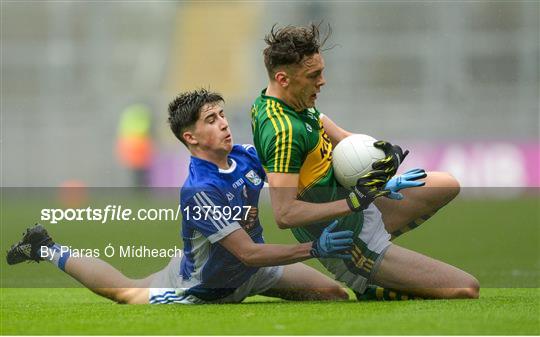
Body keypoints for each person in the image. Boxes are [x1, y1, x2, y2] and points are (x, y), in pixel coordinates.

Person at [6, 89, 354, 305]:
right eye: (211, 119)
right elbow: (247, 251)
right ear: (191, 137)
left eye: (221, 115)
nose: (223, 123)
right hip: (203, 286)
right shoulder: (199, 190)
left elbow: (292, 169)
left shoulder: (247, 155)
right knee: (125, 292)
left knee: (335, 294)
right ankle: (45, 247)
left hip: (252, 272)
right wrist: (314, 248)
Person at [250, 23, 480, 300]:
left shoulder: (289, 101)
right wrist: (352, 203)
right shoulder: (284, 133)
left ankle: (387, 266)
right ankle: (370, 281)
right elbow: (284, 214)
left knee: (446, 184)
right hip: (346, 237)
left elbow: (343, 138)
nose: (322, 81)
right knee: (465, 289)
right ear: (283, 78)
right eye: (314, 75)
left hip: (358, 205)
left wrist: (383, 156)